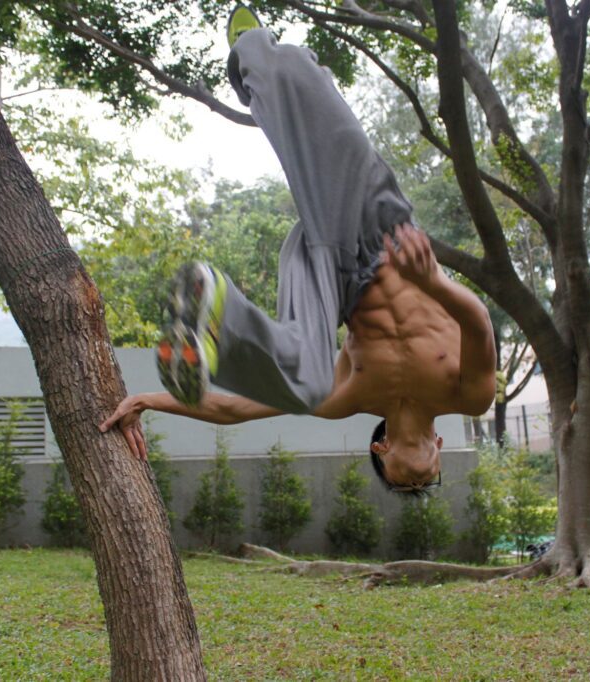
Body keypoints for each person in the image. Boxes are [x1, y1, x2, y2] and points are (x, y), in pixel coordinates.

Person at [100, 5, 495, 494]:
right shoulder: (468, 397)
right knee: (337, 127)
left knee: (307, 385)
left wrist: (148, 400)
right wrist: (433, 283)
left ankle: (218, 311)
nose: (415, 483)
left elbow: (234, 409)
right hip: (387, 232)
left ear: (381, 452)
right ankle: (259, 52)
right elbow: (478, 324)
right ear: (438, 447)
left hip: (332, 271)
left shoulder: (348, 396)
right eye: (428, 481)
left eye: (400, 486)